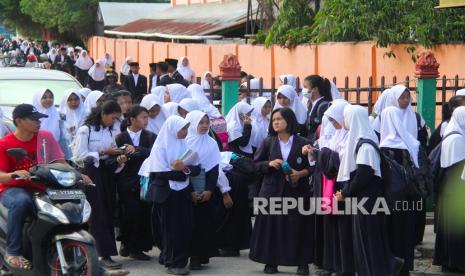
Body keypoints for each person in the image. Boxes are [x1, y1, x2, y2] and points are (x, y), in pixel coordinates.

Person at [334, 105, 404, 276]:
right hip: (366, 197)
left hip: (367, 198)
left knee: (368, 236)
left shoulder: (365, 145)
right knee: (367, 236)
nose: (344, 121)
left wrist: (345, 192)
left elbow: (363, 175)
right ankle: (381, 267)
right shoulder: (363, 140)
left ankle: (381, 268)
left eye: (346, 117)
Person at [0, 104, 65, 270]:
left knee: (70, 204)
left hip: (44, 186)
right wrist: (14, 174)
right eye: (34, 119)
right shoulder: (5, 144)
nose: (38, 122)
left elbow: (59, 162)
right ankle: (12, 251)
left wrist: (78, 174)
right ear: (19, 121)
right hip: (14, 189)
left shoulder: (46, 137)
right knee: (21, 202)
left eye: (39, 119)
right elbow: (1, 174)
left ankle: (94, 264)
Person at [250, 107, 313, 275]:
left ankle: (302, 262)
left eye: (279, 119)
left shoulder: (303, 142)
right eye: (273, 119)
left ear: (289, 120)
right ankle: (271, 261)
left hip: (297, 190)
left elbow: (312, 167)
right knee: (271, 227)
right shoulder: (268, 142)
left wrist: (299, 174)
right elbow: (255, 165)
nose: (276, 122)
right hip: (271, 191)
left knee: (298, 227)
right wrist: (268, 164)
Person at [144, 116, 201, 275]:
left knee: (185, 227)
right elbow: (159, 173)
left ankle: (181, 260)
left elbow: (196, 168)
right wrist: (182, 172)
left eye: (186, 128)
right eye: (183, 129)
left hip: (183, 193)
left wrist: (183, 168)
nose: (185, 132)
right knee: (170, 230)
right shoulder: (160, 147)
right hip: (167, 194)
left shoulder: (185, 143)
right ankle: (172, 262)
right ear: (173, 129)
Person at [73, 100, 123, 270]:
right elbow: (80, 156)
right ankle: (101, 254)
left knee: (108, 211)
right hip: (90, 174)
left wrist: (118, 157)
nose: (114, 122)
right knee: (98, 213)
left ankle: (105, 252)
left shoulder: (108, 131)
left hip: (106, 173)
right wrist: (103, 152)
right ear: (103, 114)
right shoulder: (85, 130)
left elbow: (111, 151)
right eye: (112, 118)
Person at [379, 106, 420, 276]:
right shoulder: (411, 141)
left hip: (390, 198)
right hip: (409, 196)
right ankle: (405, 267)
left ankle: (392, 266)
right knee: (405, 232)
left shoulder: (384, 146)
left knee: (390, 232)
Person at [115, 105, 156, 261]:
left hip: (144, 180)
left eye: (147, 117)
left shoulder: (151, 136)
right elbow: (116, 154)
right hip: (126, 181)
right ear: (132, 119)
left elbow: (153, 153)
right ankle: (126, 244)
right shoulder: (120, 137)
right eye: (143, 117)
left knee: (143, 213)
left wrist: (136, 149)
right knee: (129, 214)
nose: (146, 120)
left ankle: (138, 248)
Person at [185, 110, 220, 270]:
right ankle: (190, 256)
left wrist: (209, 190)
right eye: (201, 122)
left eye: (207, 122)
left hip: (206, 186)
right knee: (189, 224)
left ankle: (201, 255)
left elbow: (214, 168)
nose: (205, 125)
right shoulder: (185, 142)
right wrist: (191, 191)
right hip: (187, 188)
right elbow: (182, 169)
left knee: (204, 223)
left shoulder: (211, 142)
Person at [434, 106, 465, 273]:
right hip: (456, 187)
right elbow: (460, 166)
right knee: (456, 229)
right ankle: (456, 262)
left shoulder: (453, 134)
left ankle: (449, 261)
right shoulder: (457, 139)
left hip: (449, 188)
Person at [32, 89, 71, 159]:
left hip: (55, 149)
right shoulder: (32, 116)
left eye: (51, 97)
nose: (48, 99)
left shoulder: (57, 114)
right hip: (36, 149)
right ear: (37, 99)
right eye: (44, 97)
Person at [302, 75, 333, 142]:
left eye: (305, 87)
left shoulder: (323, 106)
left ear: (315, 89)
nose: (303, 90)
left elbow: (322, 128)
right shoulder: (311, 104)